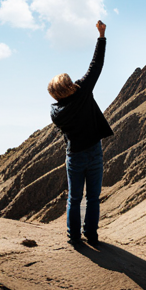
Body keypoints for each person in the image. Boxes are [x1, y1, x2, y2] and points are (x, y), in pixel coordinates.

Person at [48, 20, 114, 246]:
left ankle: (73, 237)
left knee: (74, 198)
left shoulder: (56, 112)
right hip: (94, 151)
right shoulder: (83, 92)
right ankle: (92, 235)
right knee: (93, 198)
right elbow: (96, 65)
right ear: (69, 84)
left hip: (74, 155)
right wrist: (101, 36)